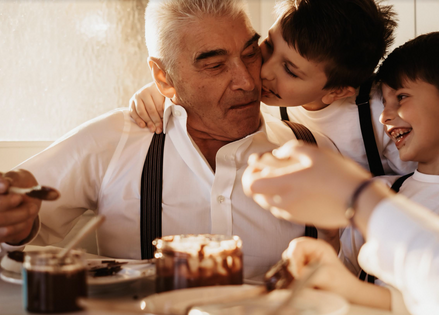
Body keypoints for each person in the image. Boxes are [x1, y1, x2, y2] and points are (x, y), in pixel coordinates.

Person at [0, 0, 337, 281]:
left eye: (250, 53)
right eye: (216, 65)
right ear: (164, 77)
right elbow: (12, 221)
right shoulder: (113, 140)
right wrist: (13, 225)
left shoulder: (316, 150)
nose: (248, 82)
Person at [242, 39, 439, 315]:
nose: (384, 117)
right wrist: (329, 246)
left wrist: (359, 196)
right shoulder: (386, 188)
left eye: (401, 97)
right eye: (385, 102)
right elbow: (369, 293)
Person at [128, 0, 416, 177]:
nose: (261, 73)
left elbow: (423, 186)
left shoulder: (382, 114)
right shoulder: (257, 101)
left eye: (290, 70)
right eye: (266, 46)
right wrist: (165, 89)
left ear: (337, 91)